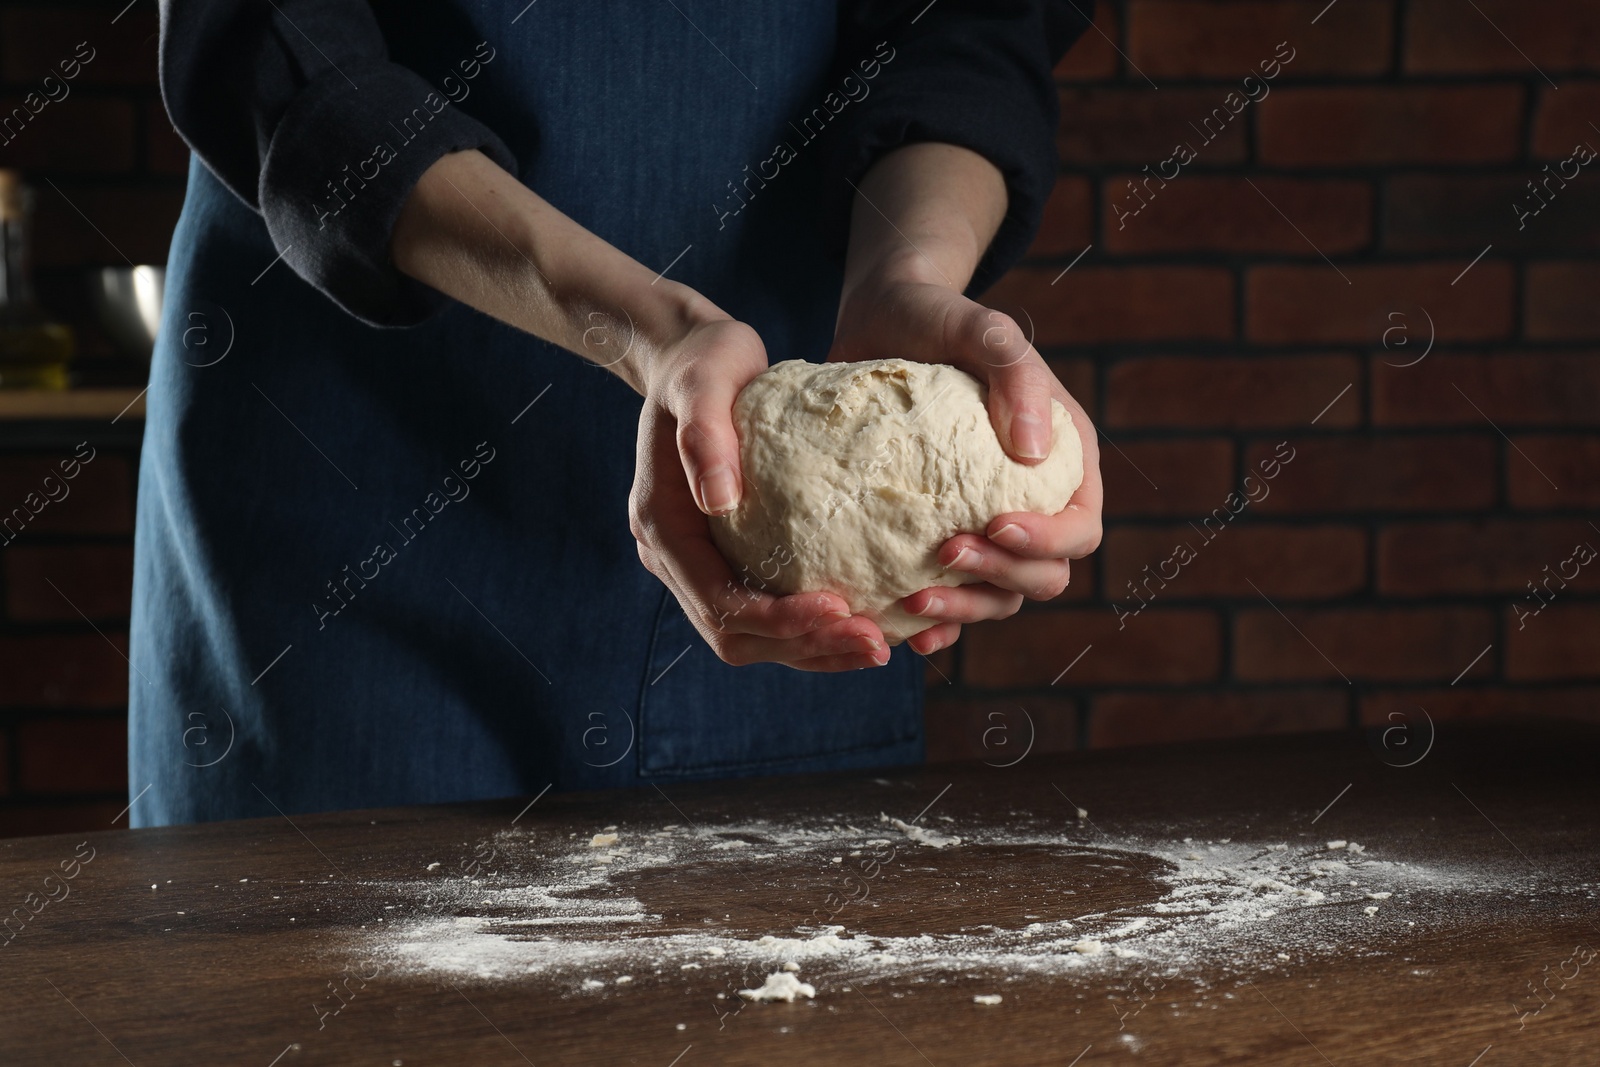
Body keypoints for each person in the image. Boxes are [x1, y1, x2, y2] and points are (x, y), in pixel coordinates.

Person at [131, 0, 1104, 825]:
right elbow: (272, 36)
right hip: (347, 496)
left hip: (761, 526)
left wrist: (906, 271)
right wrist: (650, 330)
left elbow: (971, 21)